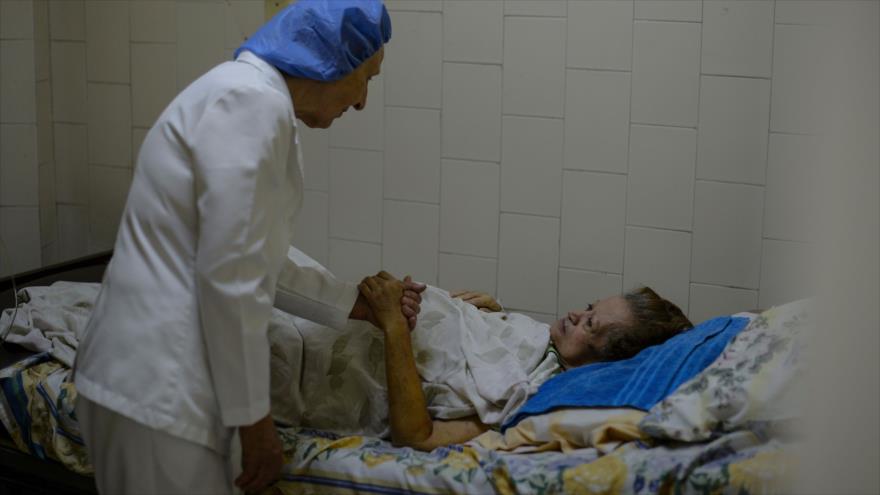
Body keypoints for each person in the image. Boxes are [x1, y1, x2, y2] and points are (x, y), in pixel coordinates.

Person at [72, 2, 425, 494]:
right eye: (367, 77)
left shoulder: (256, 103)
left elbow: (255, 261)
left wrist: (354, 302)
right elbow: (230, 270)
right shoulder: (249, 103)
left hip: (167, 388)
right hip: (159, 386)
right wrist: (254, 420)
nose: (363, 101)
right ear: (331, 61)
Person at [268, 269, 692, 451]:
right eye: (587, 306)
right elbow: (484, 351)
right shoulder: (544, 342)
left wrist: (395, 325)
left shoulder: (529, 400)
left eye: (591, 325)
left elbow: (418, 437)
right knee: (252, 269)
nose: (576, 315)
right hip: (324, 323)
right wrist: (482, 317)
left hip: (300, 366)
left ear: (605, 363)